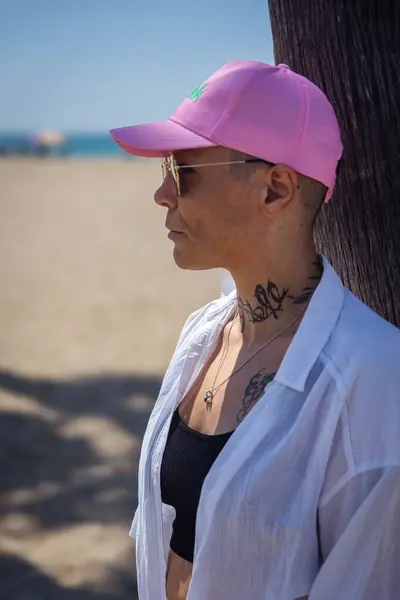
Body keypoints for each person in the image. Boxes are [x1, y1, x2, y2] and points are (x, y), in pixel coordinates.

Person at [109, 61, 400, 600]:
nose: (162, 194)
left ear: (276, 189)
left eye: (182, 169)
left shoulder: (371, 382)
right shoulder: (203, 334)